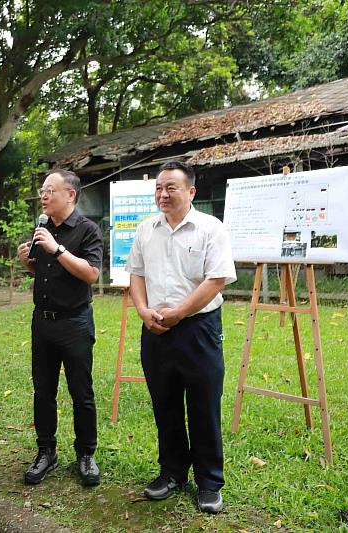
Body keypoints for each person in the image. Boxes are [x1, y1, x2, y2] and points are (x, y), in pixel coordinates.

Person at [126, 161, 236, 514]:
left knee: (204, 405)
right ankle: (172, 472)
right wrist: (144, 312)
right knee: (165, 404)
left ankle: (209, 482)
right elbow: (137, 275)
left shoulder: (210, 228)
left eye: (171, 187)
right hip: (155, 328)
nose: (162, 194)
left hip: (198, 329)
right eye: (159, 187)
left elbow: (215, 280)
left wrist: (181, 312)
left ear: (190, 192)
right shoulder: (146, 230)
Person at [16, 169, 103, 487]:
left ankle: (86, 455)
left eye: (49, 190)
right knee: (43, 391)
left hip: (75, 322)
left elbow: (91, 273)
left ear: (70, 194)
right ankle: (46, 452)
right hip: (43, 322)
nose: (43, 195)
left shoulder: (87, 230)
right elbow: (40, 270)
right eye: (42, 190)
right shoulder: (42, 228)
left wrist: (57, 248)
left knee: (81, 392)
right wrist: (28, 260)